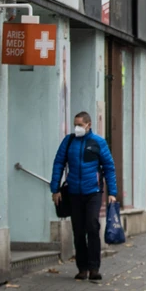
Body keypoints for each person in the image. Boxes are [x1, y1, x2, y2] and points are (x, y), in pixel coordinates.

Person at [49, 112, 118, 281]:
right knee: (78, 230)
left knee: (92, 227)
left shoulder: (98, 142)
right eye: (75, 124)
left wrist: (112, 193)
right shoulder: (69, 141)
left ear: (89, 124)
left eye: (80, 124)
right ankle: (82, 268)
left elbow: (109, 167)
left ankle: (94, 268)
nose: (77, 128)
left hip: (93, 192)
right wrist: (55, 188)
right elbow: (58, 163)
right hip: (74, 192)